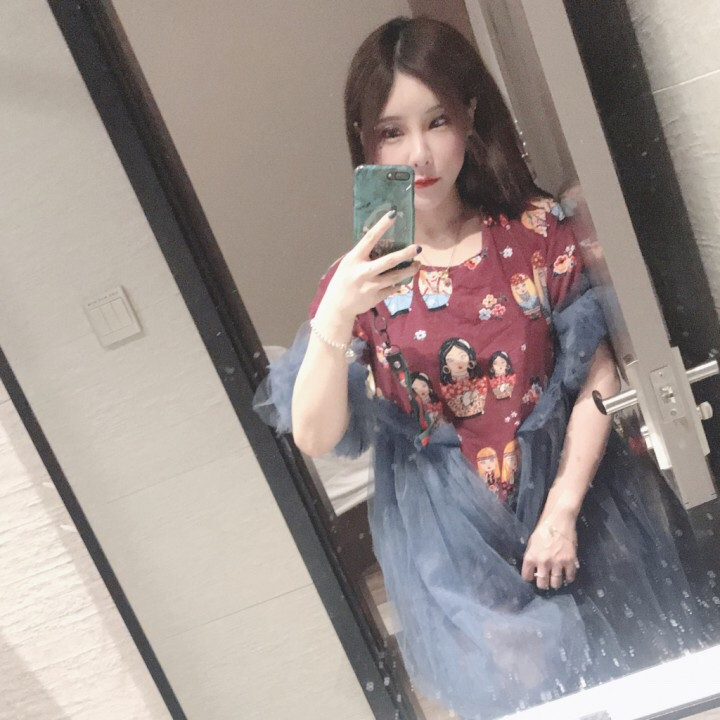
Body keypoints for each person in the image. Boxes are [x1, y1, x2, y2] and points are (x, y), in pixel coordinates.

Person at [256, 17, 719, 719]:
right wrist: (337, 313)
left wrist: (563, 509)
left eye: (437, 120)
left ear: (470, 115)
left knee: (629, 687)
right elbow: (316, 435)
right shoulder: (357, 284)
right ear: (365, 141)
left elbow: (597, 375)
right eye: (391, 132)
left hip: (578, 504)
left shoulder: (535, 231)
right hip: (452, 543)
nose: (418, 153)